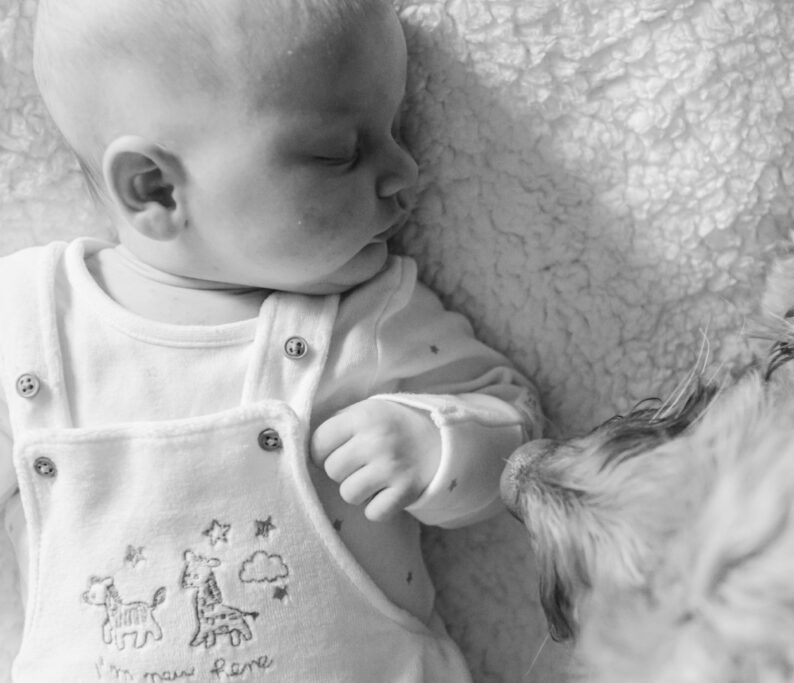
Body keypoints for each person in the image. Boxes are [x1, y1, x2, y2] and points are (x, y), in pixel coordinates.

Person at [0, 0, 540, 680]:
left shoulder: (366, 320)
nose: (407, 172)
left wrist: (439, 441)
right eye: (339, 151)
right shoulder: (26, 325)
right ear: (155, 188)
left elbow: (519, 437)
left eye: (397, 128)